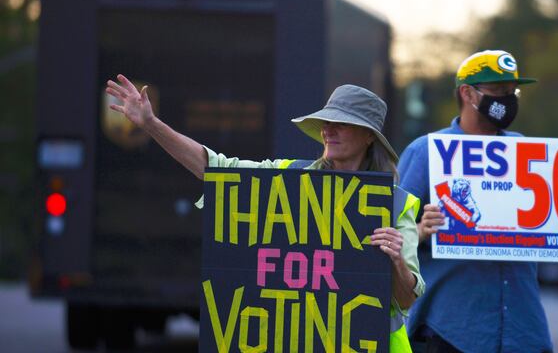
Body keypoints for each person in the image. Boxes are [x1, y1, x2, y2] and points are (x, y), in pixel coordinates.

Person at [105, 76, 424, 352]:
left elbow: (406, 299)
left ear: (369, 136)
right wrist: (150, 124)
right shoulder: (286, 181)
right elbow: (216, 169)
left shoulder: (395, 205)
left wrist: (395, 261)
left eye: (341, 123)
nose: (329, 130)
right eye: (326, 122)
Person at [397, 50, 558, 353]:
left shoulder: (526, 151)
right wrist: (419, 230)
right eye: (498, 92)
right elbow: (389, 232)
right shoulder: (427, 152)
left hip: (522, 329)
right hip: (452, 328)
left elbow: (550, 219)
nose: (508, 100)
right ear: (468, 93)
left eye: (513, 92)